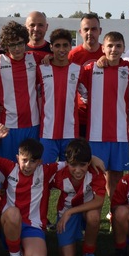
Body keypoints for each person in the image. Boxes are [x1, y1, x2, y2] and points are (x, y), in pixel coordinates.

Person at [0, 126, 58, 256]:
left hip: (33, 225)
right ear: (17, 158)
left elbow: (73, 163)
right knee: (14, 213)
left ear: (39, 162)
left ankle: (21, 248)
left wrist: (92, 158)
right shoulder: (9, 168)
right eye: (24, 160)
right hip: (8, 220)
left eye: (33, 161)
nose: (27, 165)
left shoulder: (46, 171)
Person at [78, 31, 129, 194]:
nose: (113, 49)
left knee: (116, 178)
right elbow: (74, 80)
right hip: (96, 135)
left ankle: (113, 214)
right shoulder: (90, 69)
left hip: (120, 135)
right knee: (95, 178)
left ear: (124, 49)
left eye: (118, 46)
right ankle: (92, 214)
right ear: (103, 48)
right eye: (110, 46)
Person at [51, 138, 107, 256]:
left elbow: (99, 201)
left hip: (81, 210)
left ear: (89, 163)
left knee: (94, 217)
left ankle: (89, 252)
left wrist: (70, 212)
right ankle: (73, 236)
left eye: (82, 165)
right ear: (67, 163)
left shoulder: (95, 171)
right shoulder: (58, 172)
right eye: (73, 165)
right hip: (66, 210)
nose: (77, 170)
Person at [0, 21, 40, 158]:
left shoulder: (35, 58)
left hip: (32, 124)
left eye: (20, 43)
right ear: (6, 45)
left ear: (26, 42)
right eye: (12, 45)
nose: (17, 49)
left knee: (29, 166)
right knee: (7, 168)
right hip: (7, 126)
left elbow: (56, 60)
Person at [36, 28, 82, 163]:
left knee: (69, 173)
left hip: (70, 131)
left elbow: (86, 94)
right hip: (48, 132)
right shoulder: (41, 69)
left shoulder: (78, 70)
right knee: (45, 172)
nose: (61, 49)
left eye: (65, 45)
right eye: (57, 45)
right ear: (51, 47)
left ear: (70, 46)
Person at [68, 13, 103, 139]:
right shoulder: (72, 55)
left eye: (93, 29)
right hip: (80, 116)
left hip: (102, 116)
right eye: (86, 29)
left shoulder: (108, 52)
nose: (89, 33)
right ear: (80, 32)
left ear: (100, 31)